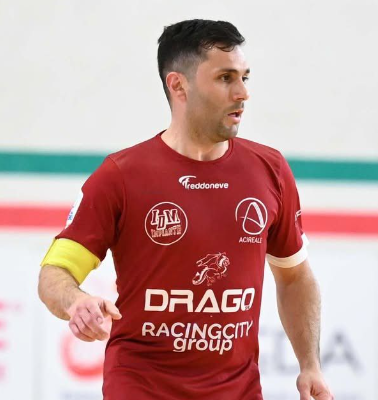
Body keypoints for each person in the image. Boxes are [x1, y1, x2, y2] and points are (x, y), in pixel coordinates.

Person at [38, 19, 333, 400]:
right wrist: (76, 301)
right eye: (225, 78)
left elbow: (294, 277)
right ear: (178, 85)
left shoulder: (270, 170)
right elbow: (54, 273)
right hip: (141, 389)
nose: (243, 93)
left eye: (244, 77)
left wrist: (310, 364)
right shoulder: (120, 176)